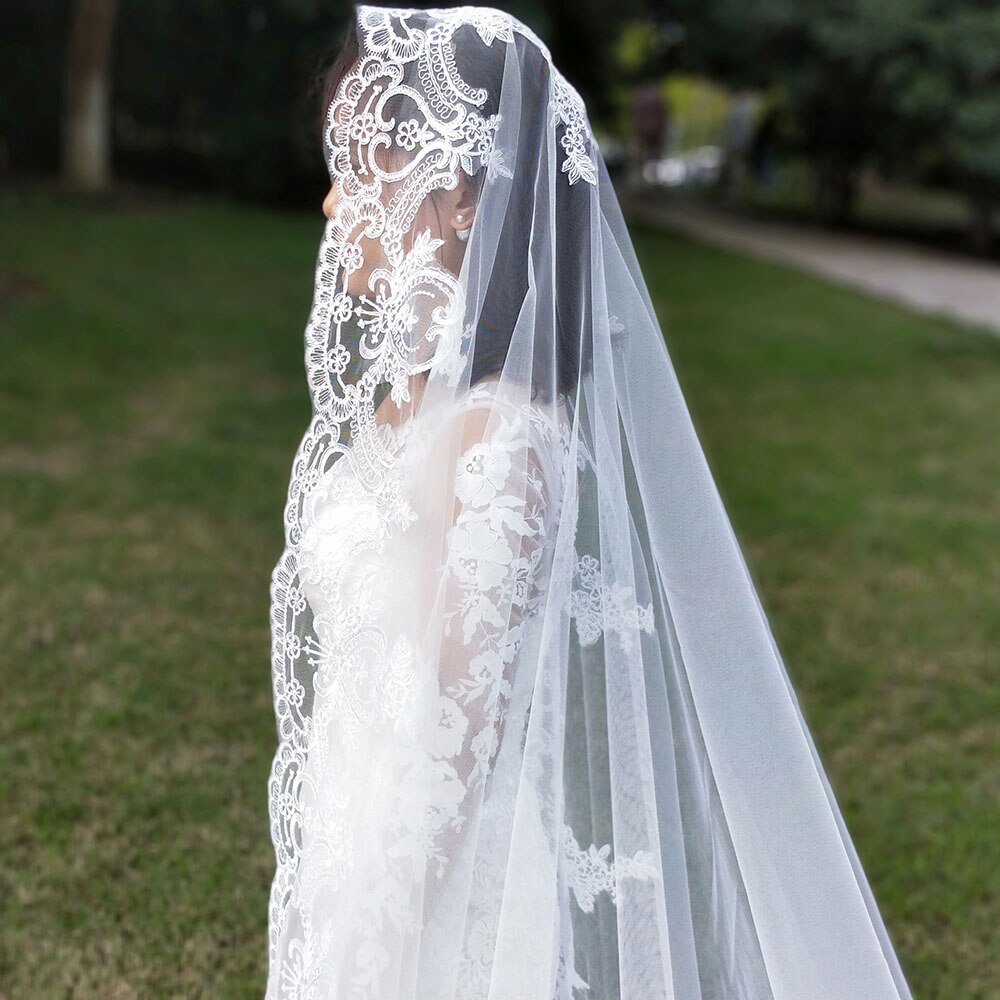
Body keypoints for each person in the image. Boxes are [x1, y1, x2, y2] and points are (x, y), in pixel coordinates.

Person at [265, 7, 914, 999]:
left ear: (460, 202)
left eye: (357, 169)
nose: (329, 205)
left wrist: (376, 952)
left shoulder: (494, 440)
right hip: (350, 840)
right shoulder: (409, 405)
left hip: (435, 900)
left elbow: (455, 746)